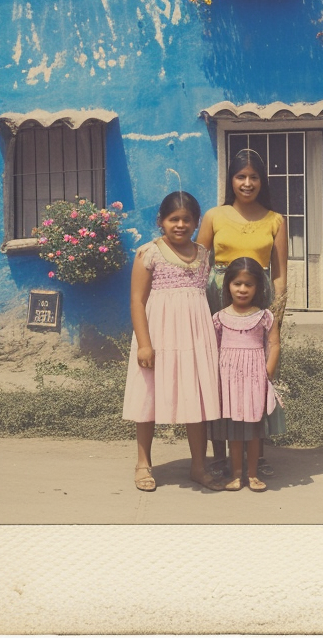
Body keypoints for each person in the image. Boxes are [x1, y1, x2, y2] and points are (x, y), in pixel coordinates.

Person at [122, 191, 224, 492]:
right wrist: (144, 343)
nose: (180, 225)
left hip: (195, 334)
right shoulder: (148, 253)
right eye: (173, 219)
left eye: (187, 220)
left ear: (196, 222)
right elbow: (137, 301)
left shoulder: (204, 254)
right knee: (148, 396)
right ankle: (143, 463)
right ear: (161, 222)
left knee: (197, 396)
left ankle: (198, 466)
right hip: (159, 333)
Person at [197, 148, 287, 478]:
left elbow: (279, 272)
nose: (247, 183)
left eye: (253, 177)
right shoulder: (213, 216)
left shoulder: (276, 220)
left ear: (262, 181)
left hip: (259, 301)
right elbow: (198, 263)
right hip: (216, 298)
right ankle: (219, 452)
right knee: (220, 374)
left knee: (254, 375)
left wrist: (277, 312)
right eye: (240, 176)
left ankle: (255, 453)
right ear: (230, 180)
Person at [211, 258, 284, 492]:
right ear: (228, 286)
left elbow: (274, 345)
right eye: (237, 284)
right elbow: (214, 348)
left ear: (258, 288)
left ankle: (252, 475)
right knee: (233, 430)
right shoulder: (219, 317)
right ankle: (236, 474)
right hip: (228, 380)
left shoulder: (264, 317)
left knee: (253, 430)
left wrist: (267, 374)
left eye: (248, 285)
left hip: (255, 379)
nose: (242, 289)